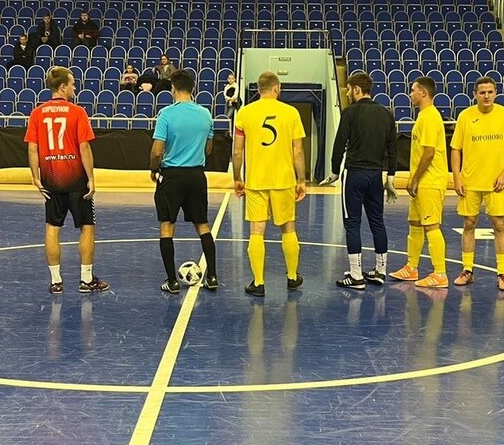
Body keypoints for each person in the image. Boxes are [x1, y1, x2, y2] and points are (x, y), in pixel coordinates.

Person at [25, 66, 109, 294]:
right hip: (76, 181)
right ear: (63, 87)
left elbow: (32, 149)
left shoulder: (37, 113)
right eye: (72, 84)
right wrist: (91, 178)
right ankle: (86, 279)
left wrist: (36, 178)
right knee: (87, 227)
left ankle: (56, 282)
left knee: (52, 228)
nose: (74, 88)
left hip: (51, 180)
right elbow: (84, 147)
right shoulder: (77, 112)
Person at [232, 71, 307, 297]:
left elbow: (237, 151)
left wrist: (237, 178)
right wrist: (301, 179)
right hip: (284, 181)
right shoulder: (291, 113)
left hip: (256, 181)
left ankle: (258, 282)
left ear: (258, 89)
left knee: (257, 231)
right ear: (277, 88)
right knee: (288, 228)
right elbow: (298, 150)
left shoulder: (244, 113)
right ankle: (292, 277)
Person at [324, 71, 397, 290]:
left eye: (348, 89)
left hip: (354, 174)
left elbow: (339, 143)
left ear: (357, 89)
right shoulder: (386, 113)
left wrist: (334, 171)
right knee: (377, 222)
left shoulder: (350, 112)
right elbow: (393, 148)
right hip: (376, 175)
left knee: (352, 223)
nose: (347, 93)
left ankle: (356, 276)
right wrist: (390, 177)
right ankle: (380, 271)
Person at [151, 70, 218, 293]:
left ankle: (171, 281)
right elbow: (208, 149)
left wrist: (154, 168)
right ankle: (212, 276)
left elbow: (157, 150)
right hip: (196, 175)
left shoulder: (166, 114)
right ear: (192, 88)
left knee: (167, 225)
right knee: (202, 225)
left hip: (172, 176)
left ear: (173, 89)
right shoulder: (206, 114)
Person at [450, 76, 504, 291]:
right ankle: (467, 270)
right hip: (470, 182)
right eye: (482, 92)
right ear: (475, 94)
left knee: (499, 225)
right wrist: (457, 177)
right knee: (469, 224)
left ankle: (502, 273)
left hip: (496, 183)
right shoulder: (465, 116)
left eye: (490, 92)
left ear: (495, 93)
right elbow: (456, 149)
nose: (486, 96)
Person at [389, 76, 450, 288]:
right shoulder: (423, 116)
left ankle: (440, 273)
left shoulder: (431, 116)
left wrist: (414, 179)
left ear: (423, 92)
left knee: (431, 225)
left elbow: (429, 153)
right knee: (415, 223)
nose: (410, 93)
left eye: (413, 90)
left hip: (430, 181)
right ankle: (412, 267)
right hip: (422, 181)